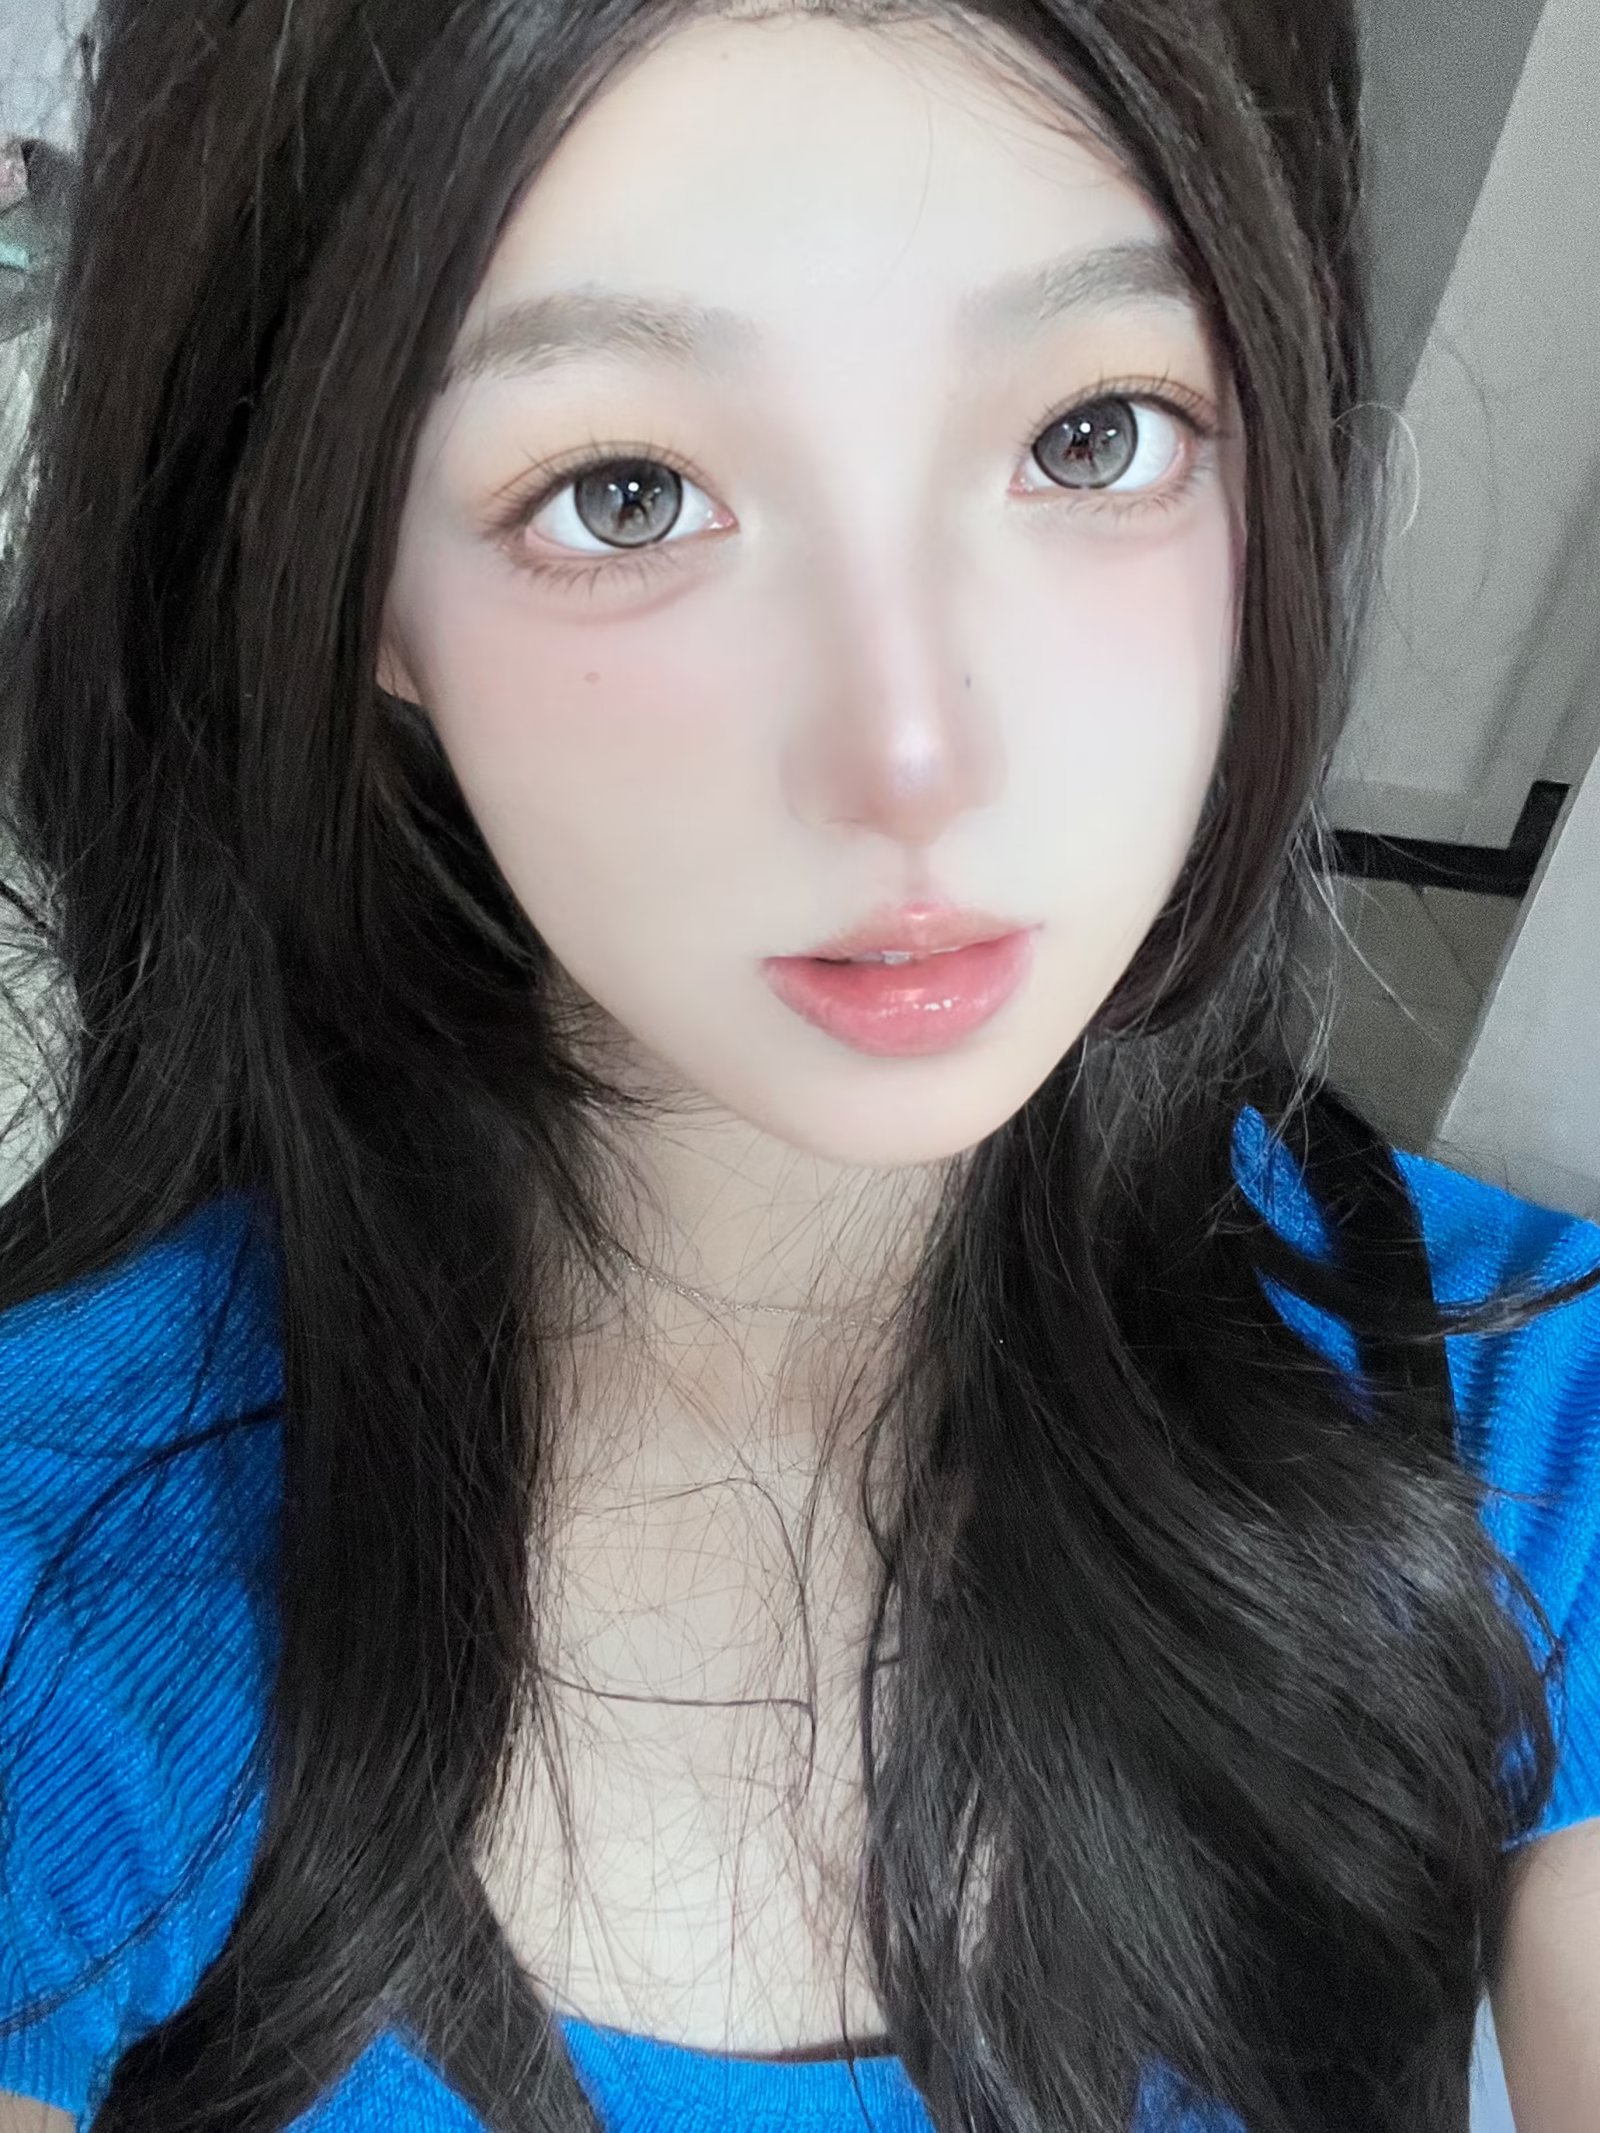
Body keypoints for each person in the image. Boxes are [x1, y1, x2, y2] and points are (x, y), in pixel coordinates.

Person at [0, 2, 1597, 2129]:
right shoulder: (65, 1574)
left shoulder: (1516, 1416)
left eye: (1093, 436)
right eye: (627, 491)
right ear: (345, 567)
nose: (912, 753)